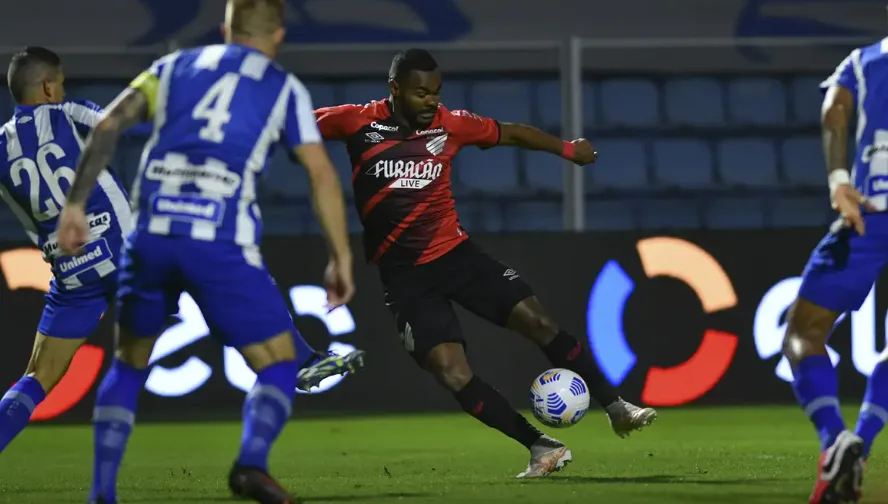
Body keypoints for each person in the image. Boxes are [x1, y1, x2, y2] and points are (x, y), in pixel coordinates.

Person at [56, 1, 356, 503]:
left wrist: (75, 205)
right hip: (219, 242)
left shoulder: (172, 67)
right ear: (279, 35)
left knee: (128, 364)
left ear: (224, 29)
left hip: (150, 238)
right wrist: (340, 255)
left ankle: (101, 493)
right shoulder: (283, 88)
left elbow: (107, 125)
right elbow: (320, 172)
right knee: (281, 363)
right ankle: (251, 464)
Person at [314, 48, 657, 479]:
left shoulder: (451, 124)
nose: (431, 101)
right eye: (421, 93)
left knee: (538, 322)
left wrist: (568, 150)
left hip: (457, 257)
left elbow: (514, 135)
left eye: (436, 92)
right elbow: (293, 125)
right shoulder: (356, 122)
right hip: (405, 279)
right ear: (395, 90)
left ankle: (616, 406)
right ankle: (541, 447)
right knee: (451, 372)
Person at [0, 46, 134, 454]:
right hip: (126, 254)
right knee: (218, 277)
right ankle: (298, 360)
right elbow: (115, 124)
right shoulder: (68, 113)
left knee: (37, 376)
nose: (62, 90)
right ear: (47, 87)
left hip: (73, 274)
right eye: (59, 83)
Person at [781, 43, 888, 504]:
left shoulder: (865, 62)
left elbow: (834, 111)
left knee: (803, 332)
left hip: (870, 213)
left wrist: (839, 181)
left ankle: (835, 440)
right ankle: (860, 443)